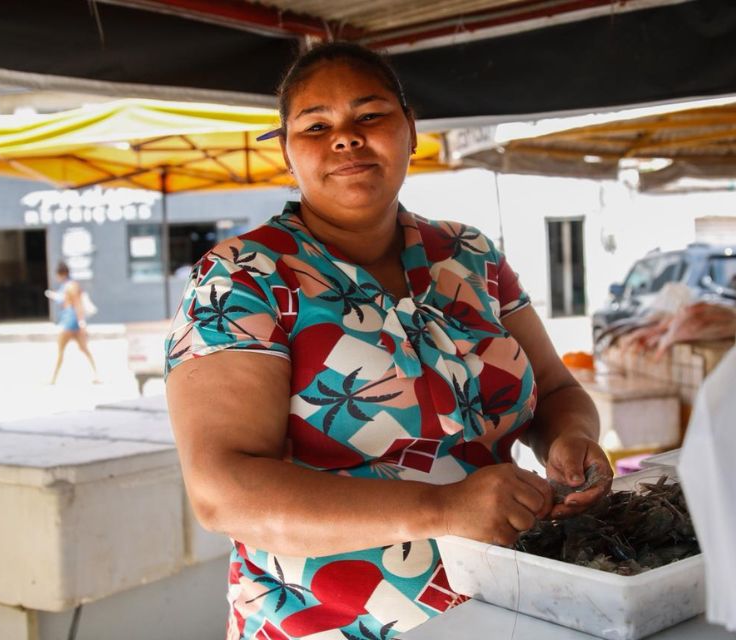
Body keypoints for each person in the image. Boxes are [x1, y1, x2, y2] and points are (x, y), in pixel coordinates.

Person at [164, 42, 611, 640]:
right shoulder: (244, 276)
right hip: (323, 623)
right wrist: (442, 510)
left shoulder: (470, 254)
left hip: (501, 604)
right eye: (315, 126)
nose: (345, 138)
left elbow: (555, 388)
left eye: (369, 115)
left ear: (411, 131)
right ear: (287, 153)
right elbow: (224, 491)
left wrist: (571, 438)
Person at [47, 261, 99, 385]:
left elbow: (77, 304)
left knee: (60, 349)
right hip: (73, 320)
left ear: (61, 274)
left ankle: (53, 378)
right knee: (84, 348)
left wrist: (81, 322)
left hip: (70, 321)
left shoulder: (70, 286)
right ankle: (96, 374)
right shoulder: (70, 285)